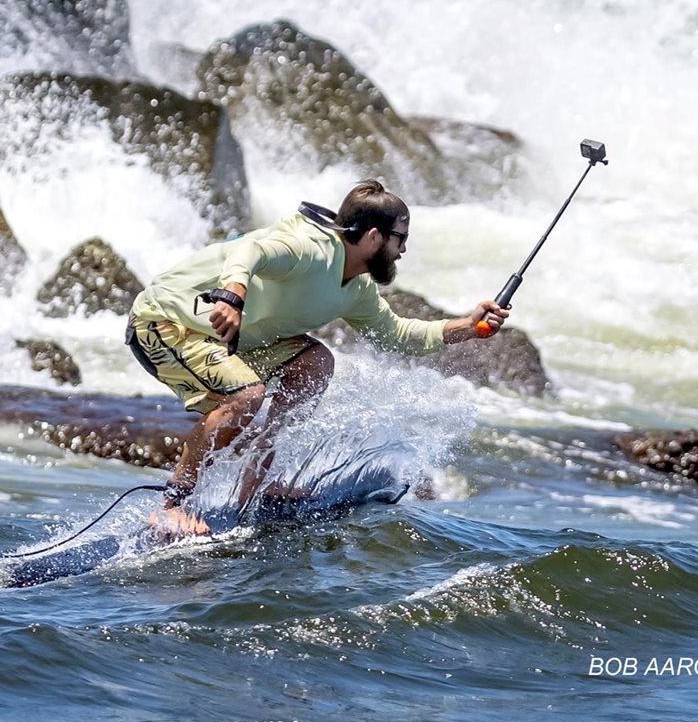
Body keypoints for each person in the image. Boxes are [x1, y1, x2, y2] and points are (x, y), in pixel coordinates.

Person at [126, 180, 509, 534]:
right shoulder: (308, 248)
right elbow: (250, 249)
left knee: (315, 362)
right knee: (246, 396)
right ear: (374, 237)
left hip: (231, 338)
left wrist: (468, 326)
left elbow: (398, 335)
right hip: (164, 322)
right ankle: (170, 505)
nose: (403, 250)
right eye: (400, 239)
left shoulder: (356, 289)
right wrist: (233, 294)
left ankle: (257, 484)